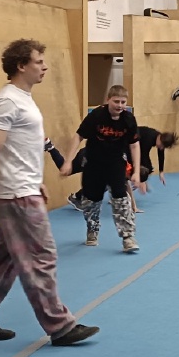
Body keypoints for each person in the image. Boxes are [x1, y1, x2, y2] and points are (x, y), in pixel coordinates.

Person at [0, 38, 98, 346]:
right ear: (21, 65)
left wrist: (36, 180)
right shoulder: (6, 101)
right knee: (41, 256)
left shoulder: (23, 98)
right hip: (16, 195)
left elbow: (19, 148)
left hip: (23, 188)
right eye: (39, 61)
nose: (44, 67)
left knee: (2, 264)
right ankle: (60, 326)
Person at [59, 85, 140, 253]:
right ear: (108, 100)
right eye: (116, 101)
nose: (119, 105)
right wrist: (68, 161)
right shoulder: (97, 116)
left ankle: (128, 237)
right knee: (90, 201)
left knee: (120, 197)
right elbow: (78, 136)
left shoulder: (128, 119)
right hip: (93, 163)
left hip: (116, 163)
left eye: (123, 102)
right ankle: (92, 228)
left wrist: (137, 172)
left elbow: (134, 145)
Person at [133, 125, 178, 196]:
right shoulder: (148, 138)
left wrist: (161, 171)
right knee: (140, 167)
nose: (161, 148)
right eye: (161, 145)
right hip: (129, 143)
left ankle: (140, 180)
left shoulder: (160, 138)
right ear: (160, 139)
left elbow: (161, 155)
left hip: (139, 146)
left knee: (149, 168)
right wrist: (142, 180)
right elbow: (142, 156)